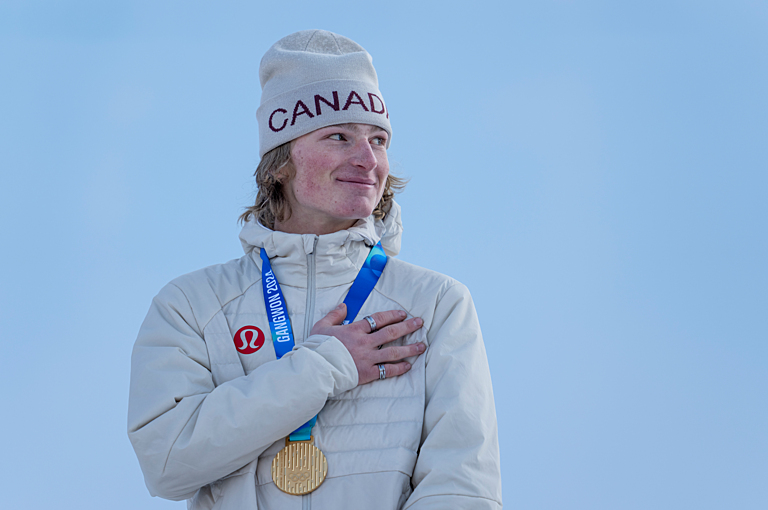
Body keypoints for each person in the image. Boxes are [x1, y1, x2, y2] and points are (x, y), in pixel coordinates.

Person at [128, 29, 502, 510]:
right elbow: (166, 464)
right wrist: (327, 364)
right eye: (340, 136)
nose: (368, 160)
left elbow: (461, 488)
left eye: (379, 140)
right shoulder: (192, 306)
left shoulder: (436, 304)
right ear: (280, 160)